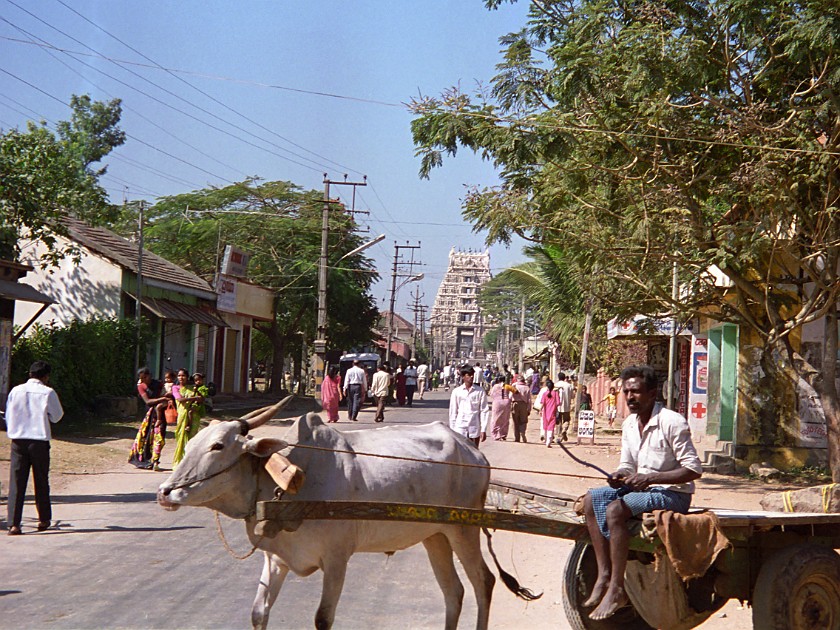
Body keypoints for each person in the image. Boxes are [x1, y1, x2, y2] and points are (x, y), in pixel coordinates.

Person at [582, 365, 702, 621]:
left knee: (616, 510)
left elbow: (693, 469)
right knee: (592, 499)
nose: (630, 397)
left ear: (652, 393)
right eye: (626, 392)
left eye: (635, 392)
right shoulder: (628, 424)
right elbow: (628, 465)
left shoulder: (672, 422)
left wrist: (649, 478)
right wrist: (619, 476)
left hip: (673, 495)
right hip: (642, 490)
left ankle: (617, 589)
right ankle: (604, 576)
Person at [5, 361, 64, 536]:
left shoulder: (16, 390)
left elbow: (8, 415)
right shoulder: (47, 392)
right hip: (39, 441)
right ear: (46, 377)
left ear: (30, 374)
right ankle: (43, 519)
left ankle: (14, 524)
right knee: (41, 480)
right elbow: (57, 417)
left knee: (16, 481)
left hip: (18, 440)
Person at [129, 367, 171, 471]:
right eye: (141, 378)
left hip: (161, 414)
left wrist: (164, 400)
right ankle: (146, 460)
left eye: (145, 377)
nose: (143, 380)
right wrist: (162, 399)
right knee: (147, 438)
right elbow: (147, 401)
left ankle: (155, 460)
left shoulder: (159, 384)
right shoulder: (141, 386)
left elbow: (168, 396)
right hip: (149, 415)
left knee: (159, 437)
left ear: (150, 375)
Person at [448, 365, 490, 448]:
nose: (471, 376)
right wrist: (452, 430)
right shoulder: (457, 392)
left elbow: (484, 410)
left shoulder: (480, 391)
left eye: (472, 374)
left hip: (474, 427)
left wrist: (483, 429)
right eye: (468, 374)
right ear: (463, 376)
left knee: (474, 454)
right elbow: (453, 411)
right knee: (460, 454)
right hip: (460, 427)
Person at [172, 369, 207, 467]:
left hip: (194, 416)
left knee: (192, 439)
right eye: (179, 375)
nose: (181, 378)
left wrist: (198, 396)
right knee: (180, 438)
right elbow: (180, 400)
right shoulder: (175, 388)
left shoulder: (193, 388)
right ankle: (179, 463)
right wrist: (194, 398)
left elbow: (202, 399)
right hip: (182, 416)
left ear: (187, 377)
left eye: (183, 376)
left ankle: (190, 464)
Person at [489, 376, 515, 440]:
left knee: (495, 419)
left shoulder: (495, 386)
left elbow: (491, 394)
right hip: (506, 403)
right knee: (505, 419)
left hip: (497, 403)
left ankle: (495, 435)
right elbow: (515, 391)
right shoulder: (507, 386)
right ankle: (503, 434)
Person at [511, 374, 532, 443]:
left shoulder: (514, 386)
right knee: (523, 421)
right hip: (524, 405)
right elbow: (529, 400)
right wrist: (529, 409)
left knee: (515, 421)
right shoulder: (527, 388)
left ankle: (517, 438)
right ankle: (522, 432)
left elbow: (510, 396)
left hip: (515, 404)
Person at [540, 379, 561, 448]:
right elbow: (558, 403)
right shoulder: (555, 393)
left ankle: (546, 440)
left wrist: (540, 410)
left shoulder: (545, 394)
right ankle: (548, 442)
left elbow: (542, 403)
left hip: (545, 413)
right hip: (553, 413)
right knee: (551, 428)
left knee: (545, 427)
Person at [555, 372, 574, 442]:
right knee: (566, 420)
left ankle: (559, 435)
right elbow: (572, 396)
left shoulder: (555, 385)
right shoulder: (569, 385)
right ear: (564, 378)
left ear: (558, 377)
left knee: (558, 421)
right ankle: (564, 430)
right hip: (566, 406)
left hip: (557, 407)